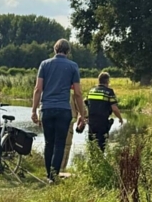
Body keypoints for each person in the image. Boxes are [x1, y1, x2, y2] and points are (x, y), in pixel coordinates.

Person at [32, 39, 85, 182]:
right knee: (60, 143)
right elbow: (78, 93)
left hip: (47, 109)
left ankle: (49, 174)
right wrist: (82, 114)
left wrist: (34, 110)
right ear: (68, 52)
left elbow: (38, 89)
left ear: (55, 50)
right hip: (63, 109)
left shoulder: (44, 64)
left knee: (49, 143)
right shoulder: (73, 66)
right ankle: (53, 176)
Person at [84, 72, 123, 151]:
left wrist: (85, 116)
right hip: (102, 122)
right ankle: (100, 162)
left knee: (92, 146)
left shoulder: (91, 91)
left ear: (99, 80)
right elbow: (114, 108)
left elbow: (85, 102)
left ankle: (92, 162)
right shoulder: (109, 92)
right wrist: (120, 118)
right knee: (101, 146)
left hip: (91, 123)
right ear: (107, 81)